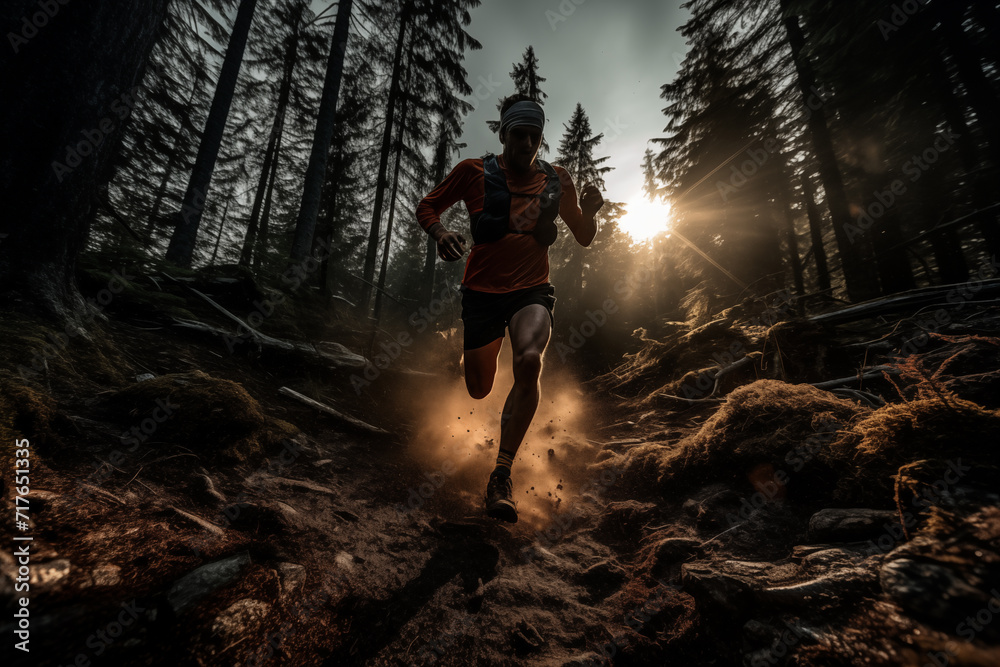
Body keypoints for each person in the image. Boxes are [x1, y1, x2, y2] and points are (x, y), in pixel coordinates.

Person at [415, 94, 605, 523]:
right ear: (503, 134)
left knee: (529, 360)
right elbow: (427, 205)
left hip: (531, 291)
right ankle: (466, 359)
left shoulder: (558, 179)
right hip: (481, 293)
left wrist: (590, 212)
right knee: (479, 388)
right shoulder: (473, 172)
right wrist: (441, 232)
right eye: (519, 134)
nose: (526, 143)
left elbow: (584, 235)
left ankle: (501, 473)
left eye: (534, 136)